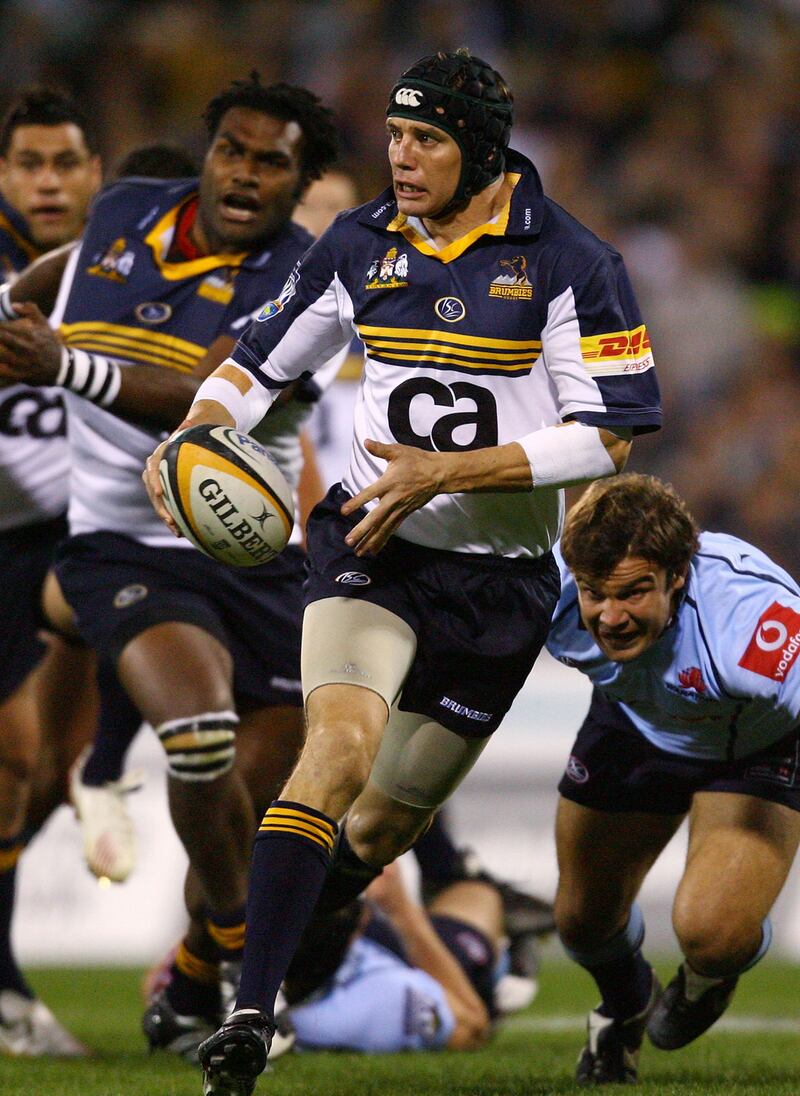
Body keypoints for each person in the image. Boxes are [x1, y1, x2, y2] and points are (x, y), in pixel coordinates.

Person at [144, 48, 660, 1095]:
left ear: (478, 148)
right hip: (371, 547)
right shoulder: (356, 241)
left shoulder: (568, 261)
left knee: (376, 829)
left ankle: (228, 957)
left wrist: (453, 472)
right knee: (333, 751)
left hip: (501, 584)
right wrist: (193, 435)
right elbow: (257, 362)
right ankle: (250, 1013)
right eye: (393, 134)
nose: (400, 156)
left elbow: (613, 436)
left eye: (424, 138)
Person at [0, 74, 339, 1054]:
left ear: (295, 180)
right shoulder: (121, 212)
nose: (244, 172)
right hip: (120, 543)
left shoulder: (303, 275)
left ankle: (195, 969)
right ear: (209, 152)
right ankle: (241, 971)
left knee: (271, 799)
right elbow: (52, 279)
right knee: (197, 738)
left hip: (253, 554)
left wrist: (60, 362)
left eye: (270, 161)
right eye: (231, 149)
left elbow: (203, 397)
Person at [546, 473, 800, 1084]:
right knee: (581, 921)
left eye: (633, 593)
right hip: (637, 723)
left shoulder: (755, 626)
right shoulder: (545, 590)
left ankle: (709, 976)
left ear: (677, 575)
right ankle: (628, 999)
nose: (609, 618)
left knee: (713, 934)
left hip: (757, 745)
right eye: (594, 594)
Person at [0, 86, 102, 1057]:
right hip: (5, 539)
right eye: (29, 162)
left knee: (48, 773)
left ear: (94, 173)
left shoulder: (121, 271)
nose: (46, 180)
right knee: (16, 756)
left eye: (65, 162)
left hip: (78, 541)